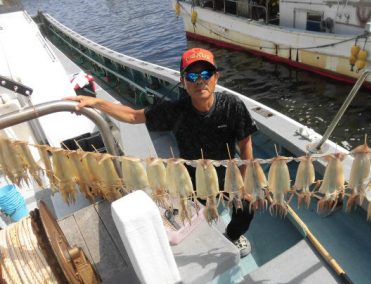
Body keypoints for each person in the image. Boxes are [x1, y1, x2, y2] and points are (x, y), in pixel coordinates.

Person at [66, 47, 258, 258]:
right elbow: (133, 116)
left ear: (216, 77)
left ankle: (232, 235)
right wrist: (97, 103)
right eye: (192, 75)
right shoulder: (176, 110)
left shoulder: (232, 106)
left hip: (227, 173)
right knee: (194, 218)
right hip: (192, 177)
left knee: (247, 209)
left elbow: (245, 141)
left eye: (206, 74)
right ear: (183, 81)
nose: (200, 80)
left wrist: (244, 182)